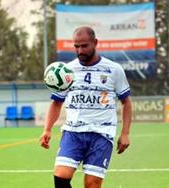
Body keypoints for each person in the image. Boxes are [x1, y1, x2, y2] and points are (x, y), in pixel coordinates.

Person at [39, 26, 132, 188]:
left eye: (84, 46)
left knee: (92, 185)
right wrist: (47, 129)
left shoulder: (113, 70)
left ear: (95, 43)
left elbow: (126, 102)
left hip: (101, 134)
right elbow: (56, 102)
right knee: (60, 177)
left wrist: (125, 133)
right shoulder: (68, 71)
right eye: (76, 46)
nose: (80, 50)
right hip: (73, 132)